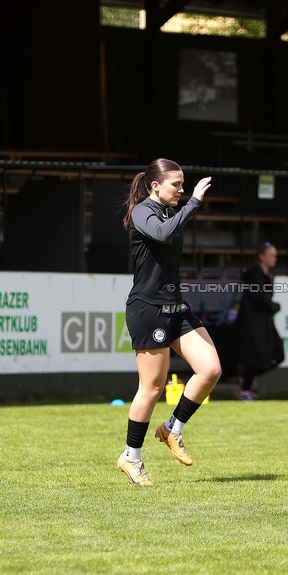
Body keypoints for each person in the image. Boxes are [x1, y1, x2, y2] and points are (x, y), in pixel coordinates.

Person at [118, 158, 222, 486]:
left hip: (175, 306)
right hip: (148, 308)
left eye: (182, 184)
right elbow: (162, 235)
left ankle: (172, 428)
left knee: (211, 369)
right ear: (155, 186)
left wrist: (186, 204)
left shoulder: (167, 210)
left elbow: (169, 228)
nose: (180, 189)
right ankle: (131, 457)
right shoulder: (143, 212)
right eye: (175, 184)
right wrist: (193, 202)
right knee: (151, 388)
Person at [234, 241, 285, 401]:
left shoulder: (268, 274)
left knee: (278, 354)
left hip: (264, 322)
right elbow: (262, 300)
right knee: (255, 357)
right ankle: (245, 391)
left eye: (276, 256)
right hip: (252, 324)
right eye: (271, 255)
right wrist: (275, 306)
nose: (274, 259)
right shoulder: (255, 276)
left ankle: (251, 379)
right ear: (261, 257)